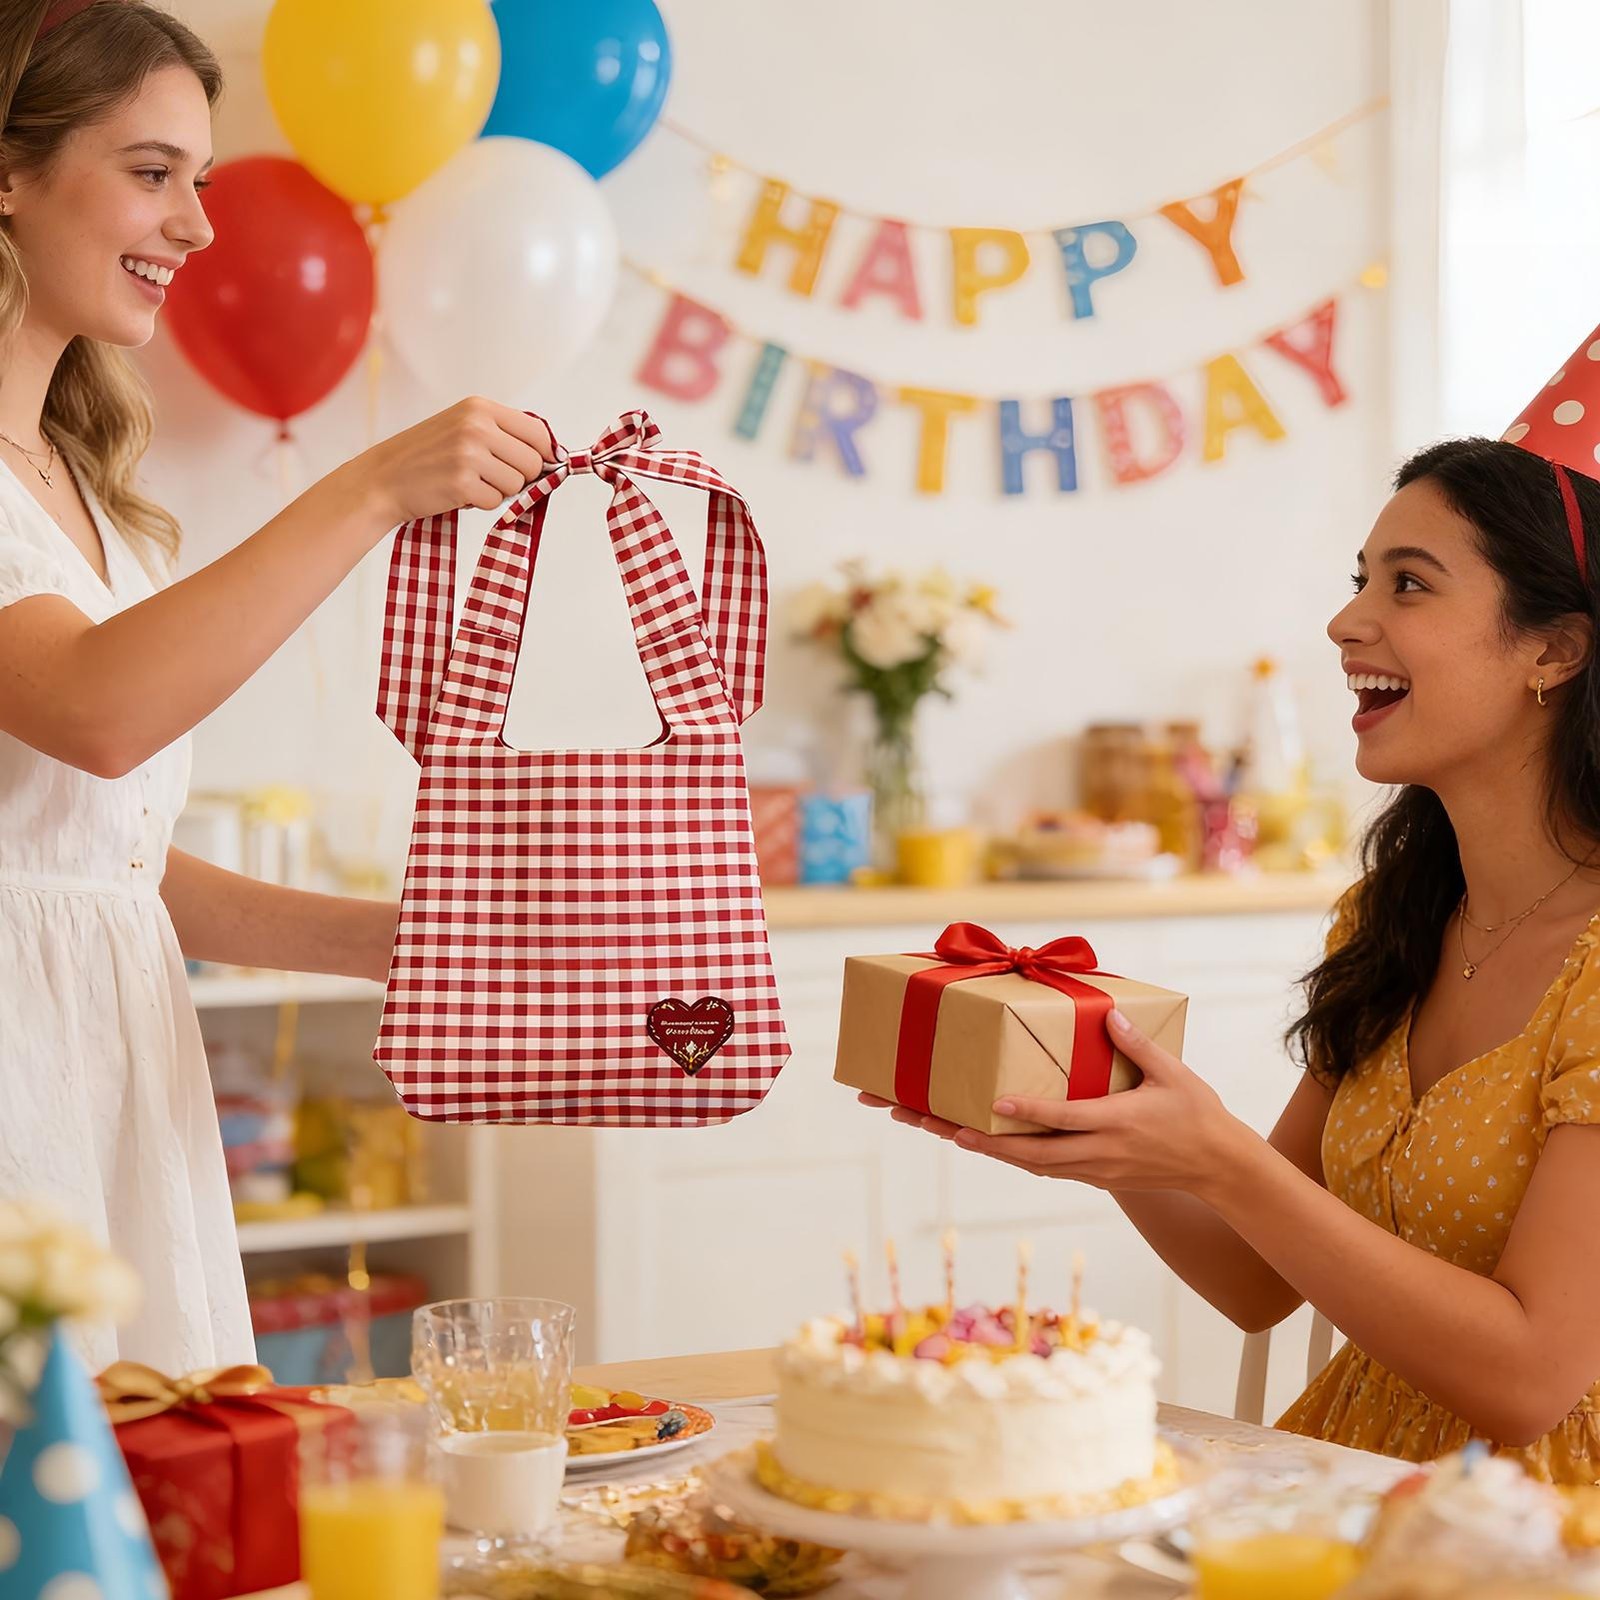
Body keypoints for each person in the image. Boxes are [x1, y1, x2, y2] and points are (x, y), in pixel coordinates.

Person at [865, 328, 1600, 1484]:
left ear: (1552, 651)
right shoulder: (1397, 918)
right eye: (1358, 579)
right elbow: (1255, 1280)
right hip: (1344, 1485)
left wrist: (1216, 1157)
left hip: (1536, 1529)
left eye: (1407, 583)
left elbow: (1527, 1379)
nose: (1347, 622)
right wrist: (1093, 1126)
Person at [0, 0, 552, 1371]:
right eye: (150, 172)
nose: (196, 225)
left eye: (199, 178)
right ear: (6, 175)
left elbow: (107, 864)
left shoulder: (89, 501)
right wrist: (372, 485)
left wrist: (413, 935)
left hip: (118, 1063)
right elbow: (96, 710)